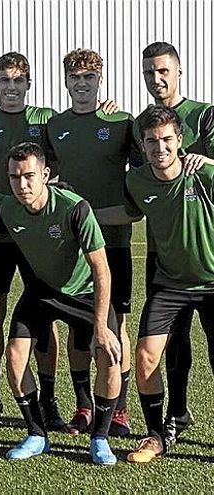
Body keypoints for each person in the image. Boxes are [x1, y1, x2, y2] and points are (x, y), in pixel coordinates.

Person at [0, 142, 121, 465]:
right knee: (15, 357)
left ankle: (99, 438)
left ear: (45, 174)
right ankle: (36, 434)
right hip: (42, 291)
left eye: (29, 176)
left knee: (111, 357)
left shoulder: (75, 208)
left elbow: (102, 270)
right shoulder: (8, 209)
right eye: (14, 177)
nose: (22, 184)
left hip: (85, 293)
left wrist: (101, 326)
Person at [97, 105, 214, 464]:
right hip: (169, 284)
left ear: (179, 140)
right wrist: (84, 213)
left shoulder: (203, 174)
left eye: (166, 140)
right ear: (143, 145)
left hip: (212, 283)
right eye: (151, 142)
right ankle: (156, 436)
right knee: (146, 357)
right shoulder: (138, 180)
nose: (159, 148)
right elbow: (131, 212)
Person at [0, 52, 62, 430]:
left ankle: (48, 397)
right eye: (5, 81)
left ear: (29, 85)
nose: (12, 87)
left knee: (45, 313)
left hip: (37, 231)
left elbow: (67, 151)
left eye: (19, 81)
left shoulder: (46, 119)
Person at [45, 48, 140, 437]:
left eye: (89, 77)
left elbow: (145, 167)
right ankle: (84, 405)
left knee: (118, 324)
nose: (82, 84)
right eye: (75, 78)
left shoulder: (121, 121)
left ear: (100, 80)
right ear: (66, 82)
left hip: (114, 241)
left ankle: (119, 407)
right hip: (72, 245)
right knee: (77, 327)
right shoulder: (55, 125)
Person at [134, 41, 214, 446]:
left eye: (163, 71)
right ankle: (173, 418)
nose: (156, 78)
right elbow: (136, 185)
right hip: (163, 256)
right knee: (171, 342)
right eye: (149, 72)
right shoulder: (138, 123)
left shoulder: (204, 114)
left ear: (179, 71)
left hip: (207, 255)